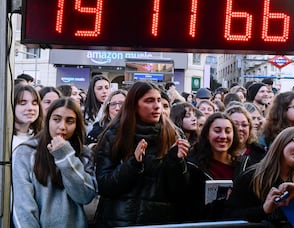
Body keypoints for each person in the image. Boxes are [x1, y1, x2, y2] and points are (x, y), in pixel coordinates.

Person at [94, 81, 190, 226]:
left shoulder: (173, 134)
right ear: (134, 105)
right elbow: (105, 185)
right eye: (149, 101)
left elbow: (180, 191)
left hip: (158, 221)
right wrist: (133, 164)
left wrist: (176, 163)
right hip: (119, 221)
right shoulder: (114, 135)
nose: (157, 106)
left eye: (159, 100)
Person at [12, 97, 97, 227]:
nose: (62, 126)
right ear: (48, 120)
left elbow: (85, 196)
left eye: (70, 121)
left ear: (77, 125)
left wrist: (65, 156)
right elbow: (23, 206)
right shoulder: (25, 152)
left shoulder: (84, 154)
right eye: (56, 119)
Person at [185, 112, 245, 221]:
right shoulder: (193, 166)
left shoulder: (243, 165)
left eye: (228, 131)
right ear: (207, 135)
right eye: (217, 131)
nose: (223, 136)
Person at [12, 85, 43, 153]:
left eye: (34, 103)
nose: (30, 108)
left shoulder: (41, 137)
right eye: (23, 103)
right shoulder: (5, 142)